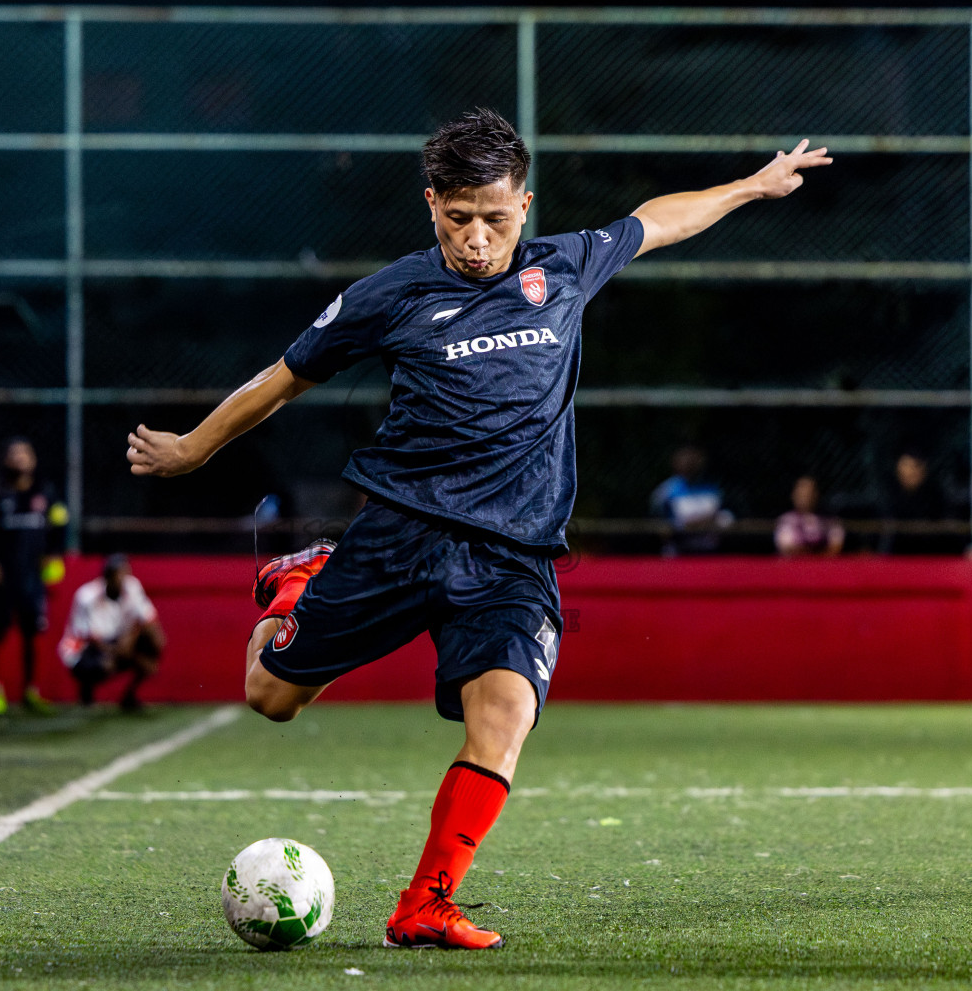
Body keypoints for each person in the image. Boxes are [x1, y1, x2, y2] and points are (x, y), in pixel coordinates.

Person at [125, 108, 831, 949]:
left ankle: (424, 904)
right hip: (402, 533)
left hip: (512, 553)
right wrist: (194, 450)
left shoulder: (563, 268)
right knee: (270, 697)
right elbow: (283, 377)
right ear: (432, 206)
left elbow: (657, 219)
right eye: (458, 219)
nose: (476, 239)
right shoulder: (392, 292)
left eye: (494, 219)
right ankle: (297, 582)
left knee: (505, 715)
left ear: (523, 207)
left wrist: (753, 184)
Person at [0, 437, 68, 716]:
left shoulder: (45, 494)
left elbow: (61, 526)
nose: (19, 458)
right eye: (14, 454)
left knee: (32, 634)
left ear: (34, 460)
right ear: (5, 460)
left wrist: (53, 554)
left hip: (33, 578)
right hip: (4, 578)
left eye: (24, 453)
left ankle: (31, 690)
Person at [58, 554, 164, 711]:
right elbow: (92, 639)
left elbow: (148, 620)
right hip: (83, 651)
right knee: (107, 664)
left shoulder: (132, 587)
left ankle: (129, 696)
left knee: (155, 639)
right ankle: (86, 689)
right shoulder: (87, 596)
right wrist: (131, 656)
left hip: (117, 641)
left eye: (126, 573)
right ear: (107, 576)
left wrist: (132, 640)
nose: (123, 579)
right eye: (119, 574)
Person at [649, 445, 733, 554]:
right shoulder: (666, 491)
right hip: (679, 552)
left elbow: (726, 518)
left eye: (693, 461)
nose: (690, 464)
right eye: (685, 461)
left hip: (709, 551)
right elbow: (657, 523)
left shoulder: (713, 489)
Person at [878, 449, 957, 555]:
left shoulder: (936, 496)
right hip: (896, 557)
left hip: (930, 556)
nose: (911, 472)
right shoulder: (888, 494)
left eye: (916, 467)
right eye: (906, 466)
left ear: (924, 470)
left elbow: (947, 528)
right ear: (898, 468)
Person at [774, 475, 845, 557]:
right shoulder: (786, 520)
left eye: (810, 493)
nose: (806, 497)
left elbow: (836, 547)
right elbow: (787, 548)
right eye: (802, 493)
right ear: (793, 495)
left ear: (817, 494)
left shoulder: (831, 521)